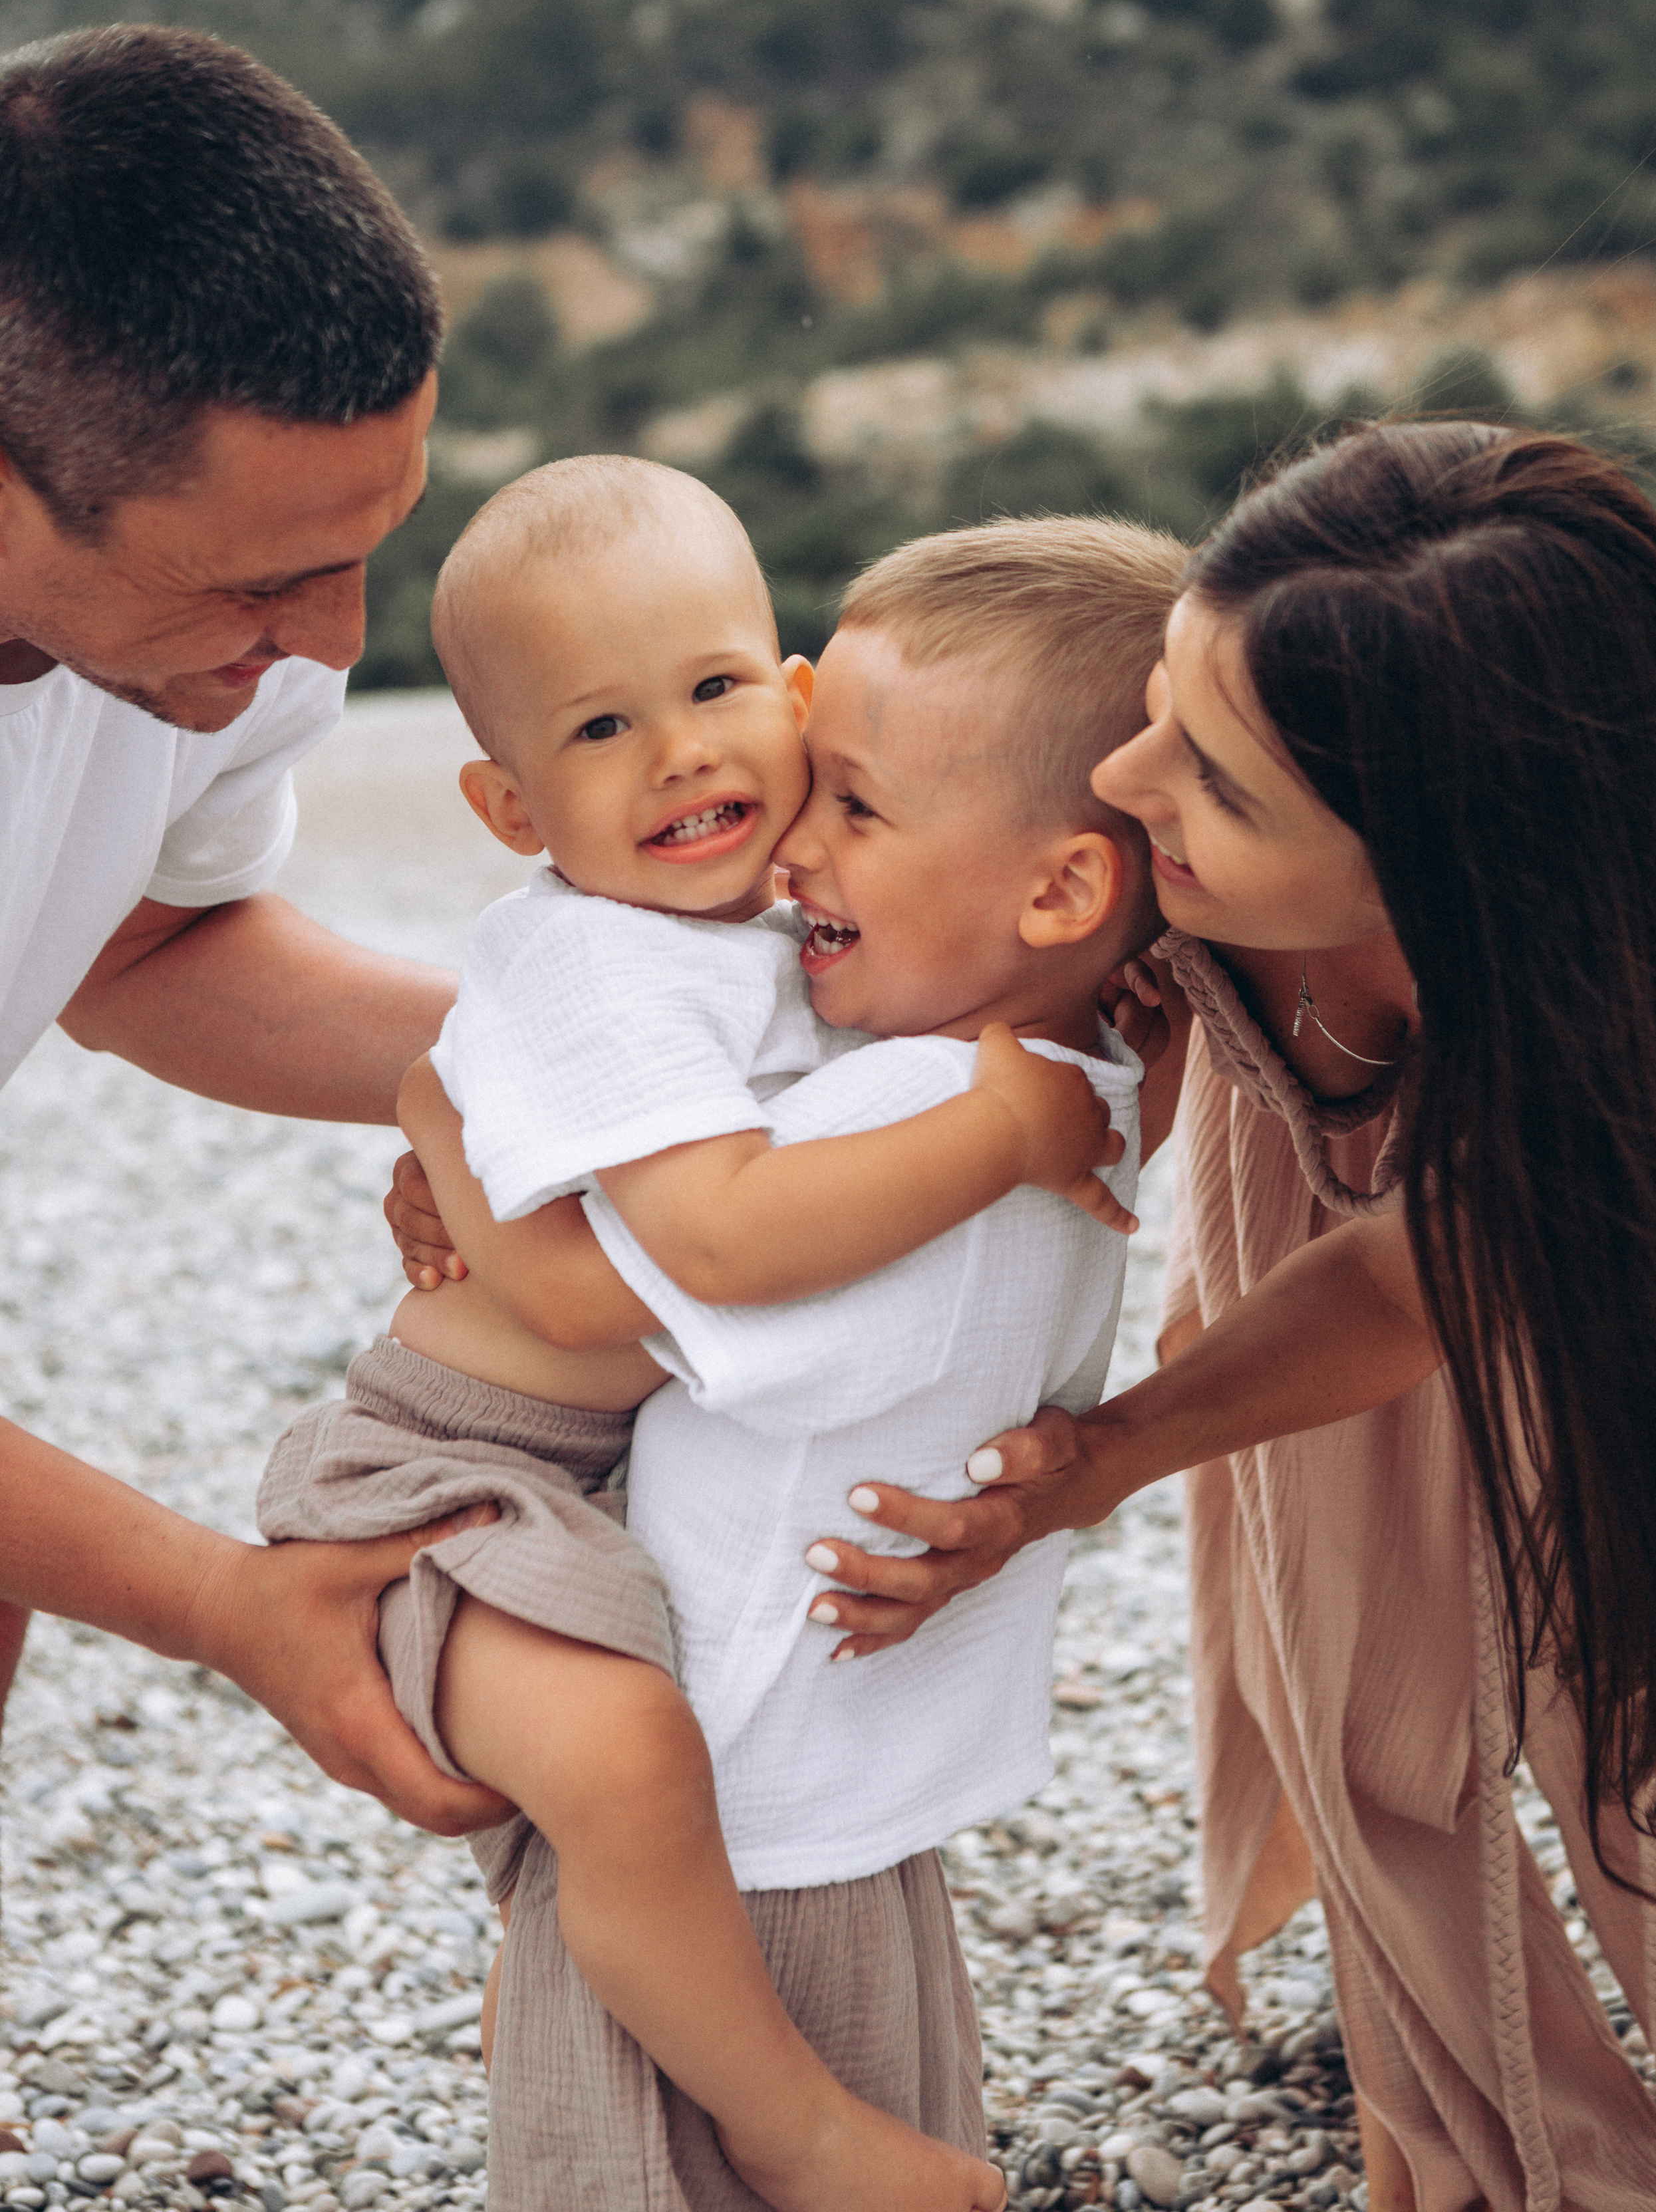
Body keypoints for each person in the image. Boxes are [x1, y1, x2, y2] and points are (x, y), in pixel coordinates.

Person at [797, 423, 1656, 2210]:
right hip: (1305, 1266)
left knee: (1635, 1683)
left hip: (1603, 1258)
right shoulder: (1158, 883)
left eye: (1209, 778)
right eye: (1160, 701)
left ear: (1432, 873)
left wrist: (1104, 1455)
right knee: (1346, 1665)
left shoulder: (1632, 1003)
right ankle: (1437, 2123)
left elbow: (1424, 1275)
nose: (1126, 778)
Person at [265, 487, 1184, 2211]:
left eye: (711, 694)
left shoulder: (777, 919)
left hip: (585, 1475)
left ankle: (603, 2007)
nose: (679, 757)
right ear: (509, 806)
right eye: (602, 728)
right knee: (626, 1757)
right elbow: (654, 1273)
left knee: (625, 1785)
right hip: (454, 1473)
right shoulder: (594, 959)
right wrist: (1005, 1125)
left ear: (797, 694)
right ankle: (789, 2124)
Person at [0, 20, 504, 1838]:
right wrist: (232, 1608)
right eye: (263, 579)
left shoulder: (197, 659)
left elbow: (143, 955)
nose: (338, 640)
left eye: (372, 544)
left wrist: (581, 1071)